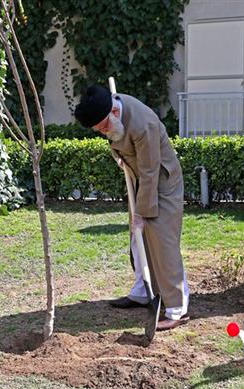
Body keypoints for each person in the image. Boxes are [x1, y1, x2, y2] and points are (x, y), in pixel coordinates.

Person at [74, 85, 190, 330]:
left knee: (162, 240)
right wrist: (120, 157)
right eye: (98, 130)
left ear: (115, 112)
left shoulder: (142, 124)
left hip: (162, 182)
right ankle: (141, 290)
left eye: (103, 127)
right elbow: (120, 142)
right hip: (141, 180)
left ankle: (176, 308)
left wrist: (141, 212)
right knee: (137, 238)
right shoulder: (111, 112)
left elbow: (150, 171)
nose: (103, 132)